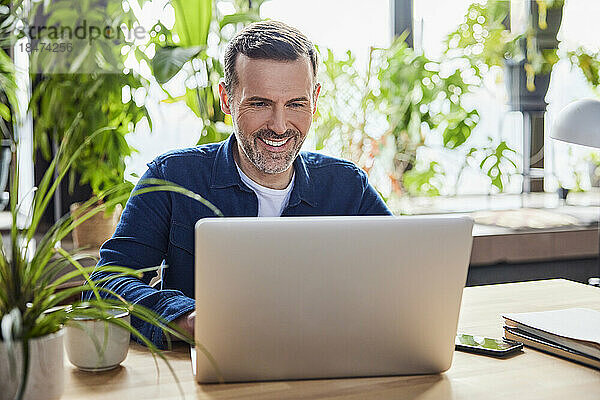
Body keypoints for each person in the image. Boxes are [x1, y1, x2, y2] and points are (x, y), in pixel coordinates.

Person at [90, 20, 391, 348]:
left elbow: (404, 272)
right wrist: (186, 319)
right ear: (226, 99)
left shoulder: (347, 186)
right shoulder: (171, 178)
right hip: (212, 373)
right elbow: (105, 285)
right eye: (260, 104)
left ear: (314, 100)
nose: (279, 125)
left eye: (296, 104)